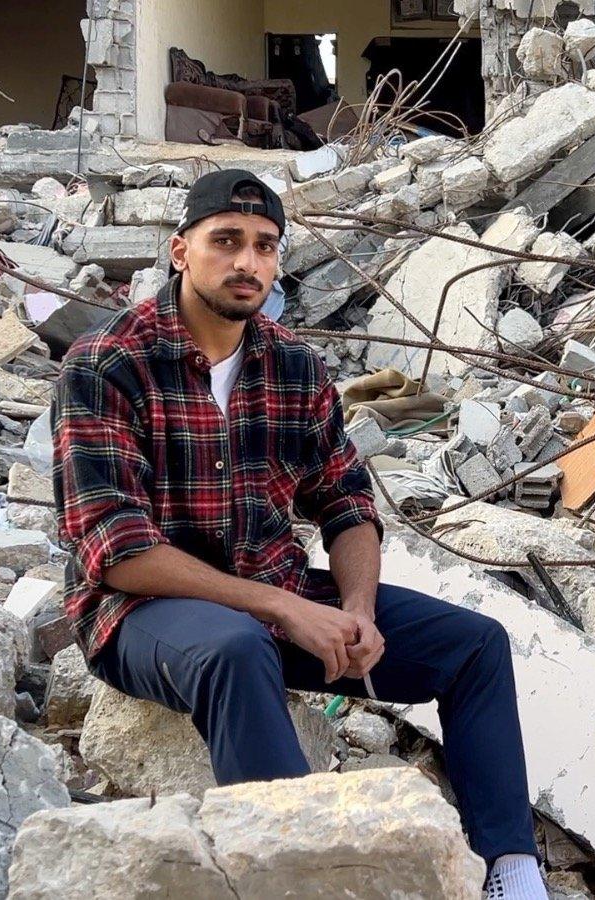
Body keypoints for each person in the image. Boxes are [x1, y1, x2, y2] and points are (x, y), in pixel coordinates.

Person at [53, 169, 546, 899]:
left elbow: (346, 503)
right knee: (236, 646)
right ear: (181, 250)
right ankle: (298, 880)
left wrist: (356, 609)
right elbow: (117, 551)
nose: (246, 262)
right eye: (226, 242)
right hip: (142, 613)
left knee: (473, 647)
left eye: (264, 246)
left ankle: (511, 871)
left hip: (271, 590)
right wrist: (281, 608)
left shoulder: (291, 366)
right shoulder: (108, 362)